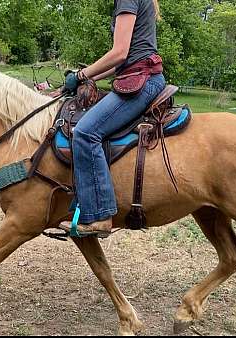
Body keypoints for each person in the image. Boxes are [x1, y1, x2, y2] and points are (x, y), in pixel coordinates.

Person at [59, 0, 166, 238]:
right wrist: (85, 78)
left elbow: (119, 52)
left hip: (142, 81)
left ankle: (100, 216)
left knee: (86, 132)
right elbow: (120, 62)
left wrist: (80, 74)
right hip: (136, 75)